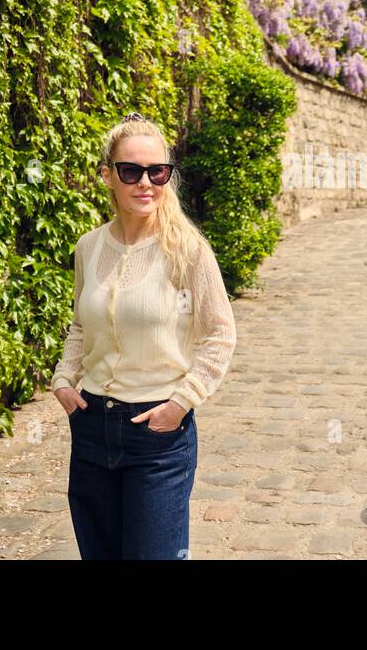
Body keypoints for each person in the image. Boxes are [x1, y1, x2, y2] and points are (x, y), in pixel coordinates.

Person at [52, 112, 236, 559]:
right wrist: (63, 378)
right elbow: (81, 324)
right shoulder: (89, 247)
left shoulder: (187, 251)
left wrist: (180, 403)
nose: (145, 183)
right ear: (107, 175)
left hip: (158, 436)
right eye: (131, 171)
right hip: (92, 426)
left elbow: (220, 333)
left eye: (158, 171)